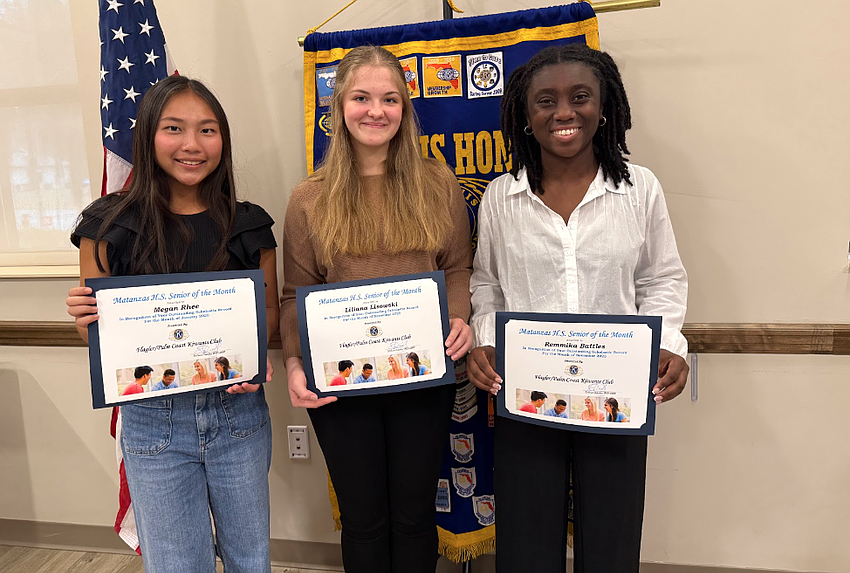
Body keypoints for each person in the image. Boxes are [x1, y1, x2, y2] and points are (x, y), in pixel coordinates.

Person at [467, 44, 689, 573]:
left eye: (579, 97)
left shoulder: (640, 189)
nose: (563, 112)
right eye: (546, 100)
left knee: (611, 539)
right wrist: (484, 338)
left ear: (604, 106)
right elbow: (487, 284)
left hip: (617, 392)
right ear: (525, 116)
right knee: (525, 541)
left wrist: (669, 346)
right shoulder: (501, 197)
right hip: (527, 391)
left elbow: (661, 279)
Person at [64, 75, 279, 573]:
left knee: (251, 560)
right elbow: (95, 336)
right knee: (177, 564)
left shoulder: (249, 225)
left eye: (207, 130)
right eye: (174, 128)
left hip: (237, 416)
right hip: (152, 420)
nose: (191, 145)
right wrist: (85, 317)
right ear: (148, 137)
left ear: (222, 140)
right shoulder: (106, 226)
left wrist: (253, 354)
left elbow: (267, 316)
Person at [280, 45, 472, 573]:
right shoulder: (308, 199)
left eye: (390, 99)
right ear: (338, 106)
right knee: (364, 521)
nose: (376, 110)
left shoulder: (437, 183)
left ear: (405, 109)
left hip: (422, 377)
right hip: (341, 387)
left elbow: (458, 266)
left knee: (413, 518)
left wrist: (458, 319)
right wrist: (295, 364)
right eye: (361, 97)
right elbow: (295, 294)